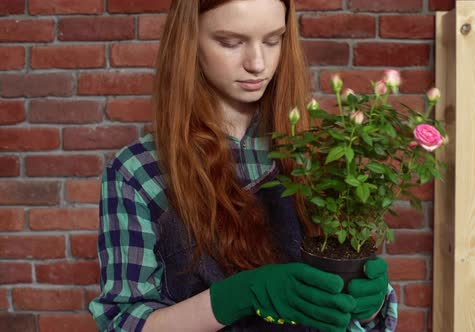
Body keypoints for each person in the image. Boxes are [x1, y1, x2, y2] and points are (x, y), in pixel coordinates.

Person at [89, 0, 398, 331]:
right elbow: (123, 323)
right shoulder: (139, 171)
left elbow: (345, 303)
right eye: (231, 42)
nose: (257, 63)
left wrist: (368, 306)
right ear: (189, 41)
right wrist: (233, 298)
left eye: (272, 40)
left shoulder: (318, 154)